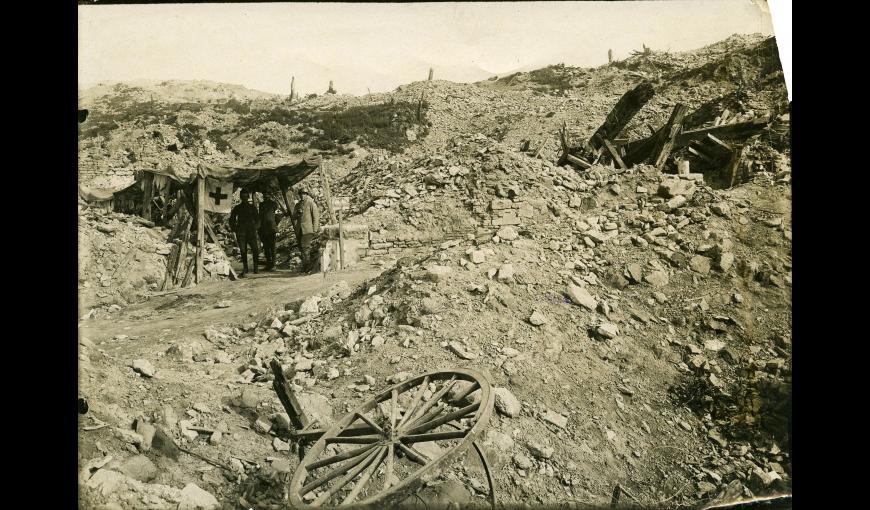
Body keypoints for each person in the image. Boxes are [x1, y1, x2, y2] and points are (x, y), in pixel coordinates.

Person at [229, 189, 260, 276]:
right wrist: (235, 229)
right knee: (243, 251)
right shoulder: (237, 208)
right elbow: (231, 220)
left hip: (251, 232)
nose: (245, 198)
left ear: (248, 197)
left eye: (246, 196)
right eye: (243, 196)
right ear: (241, 197)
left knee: (255, 249)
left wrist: (255, 227)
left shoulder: (252, 207)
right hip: (241, 232)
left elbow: (258, 219)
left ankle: (256, 267)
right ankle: (245, 268)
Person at [293, 184, 320, 272]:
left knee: (305, 248)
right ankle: (305, 266)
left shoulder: (311, 203)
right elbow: (293, 217)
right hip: (299, 230)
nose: (302, 196)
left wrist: (315, 229)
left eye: (304, 194)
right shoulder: (297, 205)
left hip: (308, 230)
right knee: (301, 248)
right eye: (301, 194)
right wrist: (297, 213)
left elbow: (316, 217)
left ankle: (308, 268)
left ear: (307, 194)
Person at [258, 195, 279, 271]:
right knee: (266, 248)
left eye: (267, 193)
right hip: (263, 229)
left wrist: (276, 228)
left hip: (271, 229)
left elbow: (277, 216)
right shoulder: (261, 204)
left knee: (272, 247)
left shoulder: (273, 204)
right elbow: (260, 216)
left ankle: (273, 265)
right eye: (264, 193)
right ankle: (269, 264)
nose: (265, 195)